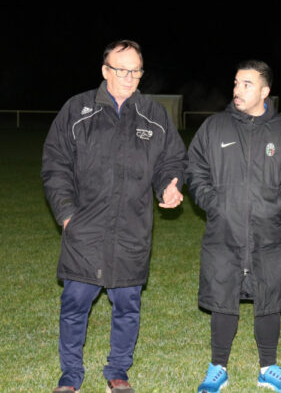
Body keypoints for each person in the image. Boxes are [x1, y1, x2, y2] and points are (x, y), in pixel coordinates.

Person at [41, 40, 187, 393]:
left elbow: (171, 160)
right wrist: (66, 215)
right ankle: (70, 375)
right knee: (75, 303)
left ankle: (118, 372)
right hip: (84, 228)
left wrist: (170, 185)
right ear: (105, 70)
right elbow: (55, 164)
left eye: (136, 70)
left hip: (132, 229)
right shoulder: (78, 110)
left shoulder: (153, 113)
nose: (130, 77)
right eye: (121, 69)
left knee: (127, 306)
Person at [187, 60, 281, 393]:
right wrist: (212, 202)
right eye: (236, 83)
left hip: (268, 234)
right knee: (222, 293)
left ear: (265, 91)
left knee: (268, 295)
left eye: (246, 84)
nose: (237, 90)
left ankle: (268, 367)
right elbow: (195, 168)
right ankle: (218, 368)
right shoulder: (215, 127)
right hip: (224, 231)